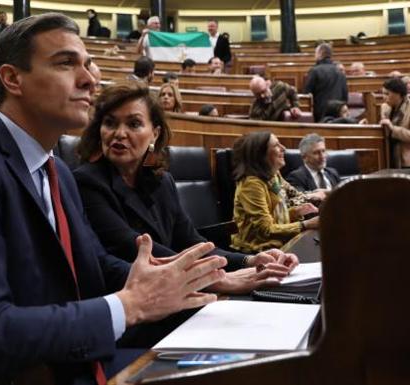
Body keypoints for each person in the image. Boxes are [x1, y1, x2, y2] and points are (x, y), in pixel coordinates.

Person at [0, 13, 229, 384]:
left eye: (88, 65)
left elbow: (96, 265)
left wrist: (184, 279)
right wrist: (130, 305)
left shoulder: (58, 173)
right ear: (12, 79)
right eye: (66, 63)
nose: (90, 79)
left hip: (74, 359)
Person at [74, 82, 299, 295]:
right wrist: (216, 278)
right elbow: (136, 250)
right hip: (134, 305)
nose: (119, 133)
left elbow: (191, 242)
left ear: (155, 133)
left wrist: (250, 260)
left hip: (179, 292)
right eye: (110, 123)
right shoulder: (87, 182)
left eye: (133, 124)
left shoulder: (163, 182)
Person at [231, 132, 321, 253]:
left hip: (281, 244)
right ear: (261, 154)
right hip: (258, 251)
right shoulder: (251, 184)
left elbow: (295, 197)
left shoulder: (274, 175)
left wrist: (296, 212)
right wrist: (306, 224)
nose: (283, 148)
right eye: (276, 145)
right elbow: (265, 230)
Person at [304, 43, 348, 122]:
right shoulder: (340, 71)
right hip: (338, 111)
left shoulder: (314, 71)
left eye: (315, 53)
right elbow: (345, 94)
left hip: (321, 113)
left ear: (320, 54)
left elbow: (307, 93)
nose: (315, 56)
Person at [380, 77, 410, 168]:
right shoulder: (385, 108)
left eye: (387, 93)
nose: (383, 97)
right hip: (388, 157)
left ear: (398, 94)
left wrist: (393, 129)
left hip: (406, 160)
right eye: (382, 93)